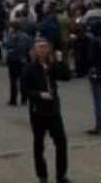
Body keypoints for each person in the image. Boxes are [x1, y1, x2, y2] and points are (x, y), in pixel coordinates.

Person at [20, 37, 71, 183]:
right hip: (38, 112)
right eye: (39, 47)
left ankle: (61, 175)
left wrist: (61, 62)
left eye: (45, 47)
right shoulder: (29, 68)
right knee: (39, 144)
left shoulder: (52, 66)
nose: (42, 50)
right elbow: (24, 90)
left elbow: (66, 77)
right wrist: (39, 95)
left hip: (54, 110)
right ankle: (42, 175)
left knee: (61, 142)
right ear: (34, 51)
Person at [3, 20, 32, 106]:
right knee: (23, 79)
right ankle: (24, 98)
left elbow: (6, 44)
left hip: (14, 59)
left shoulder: (12, 36)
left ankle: (13, 99)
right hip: (23, 59)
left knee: (13, 80)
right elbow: (29, 45)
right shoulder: (25, 36)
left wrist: (12, 50)